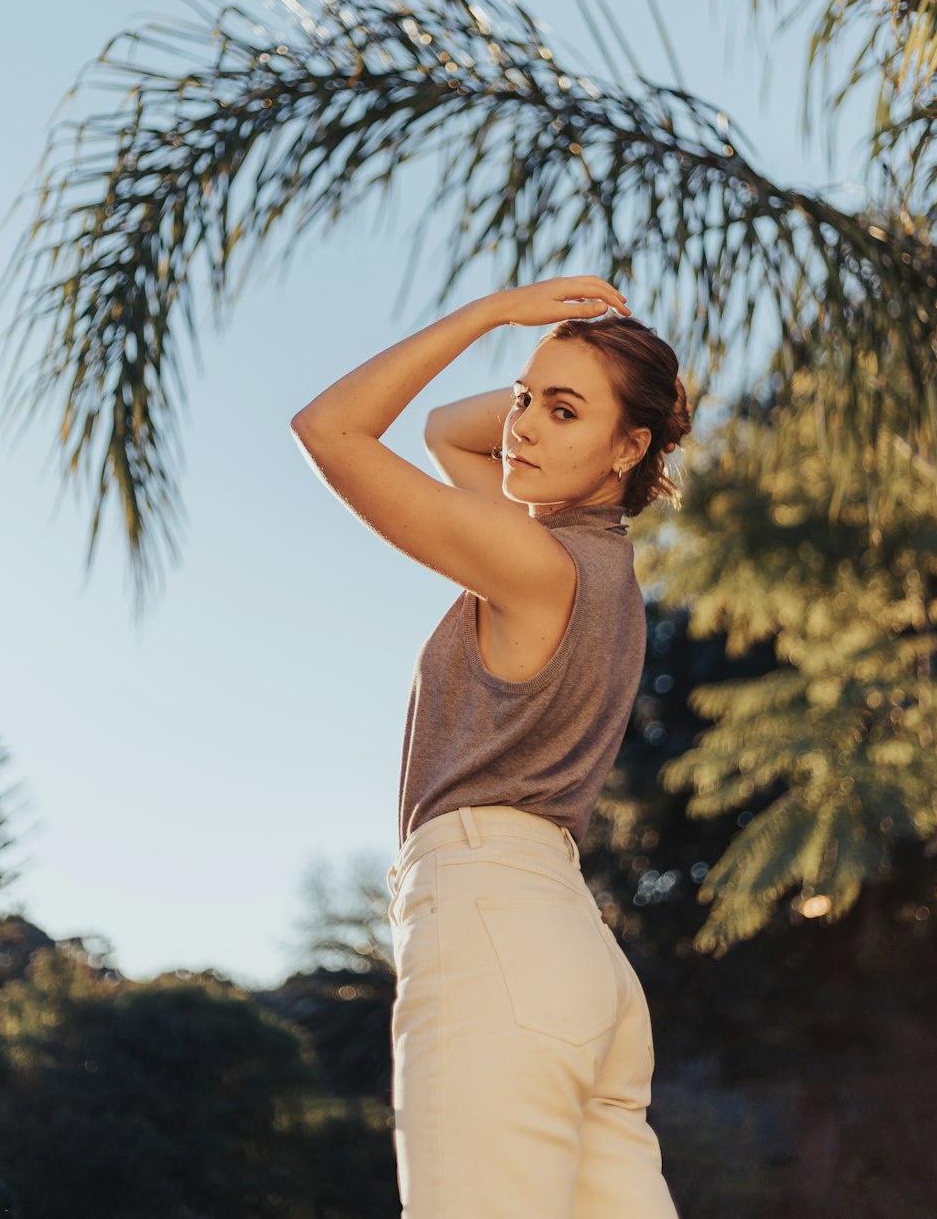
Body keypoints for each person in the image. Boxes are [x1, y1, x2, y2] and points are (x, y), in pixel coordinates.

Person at [290, 275, 690, 1218]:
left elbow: (332, 430)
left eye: (563, 412)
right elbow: (448, 430)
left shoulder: (534, 563)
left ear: (629, 448)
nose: (524, 426)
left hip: (491, 932)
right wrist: (571, 370)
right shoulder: (595, 561)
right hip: (574, 961)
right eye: (524, 399)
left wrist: (495, 314)